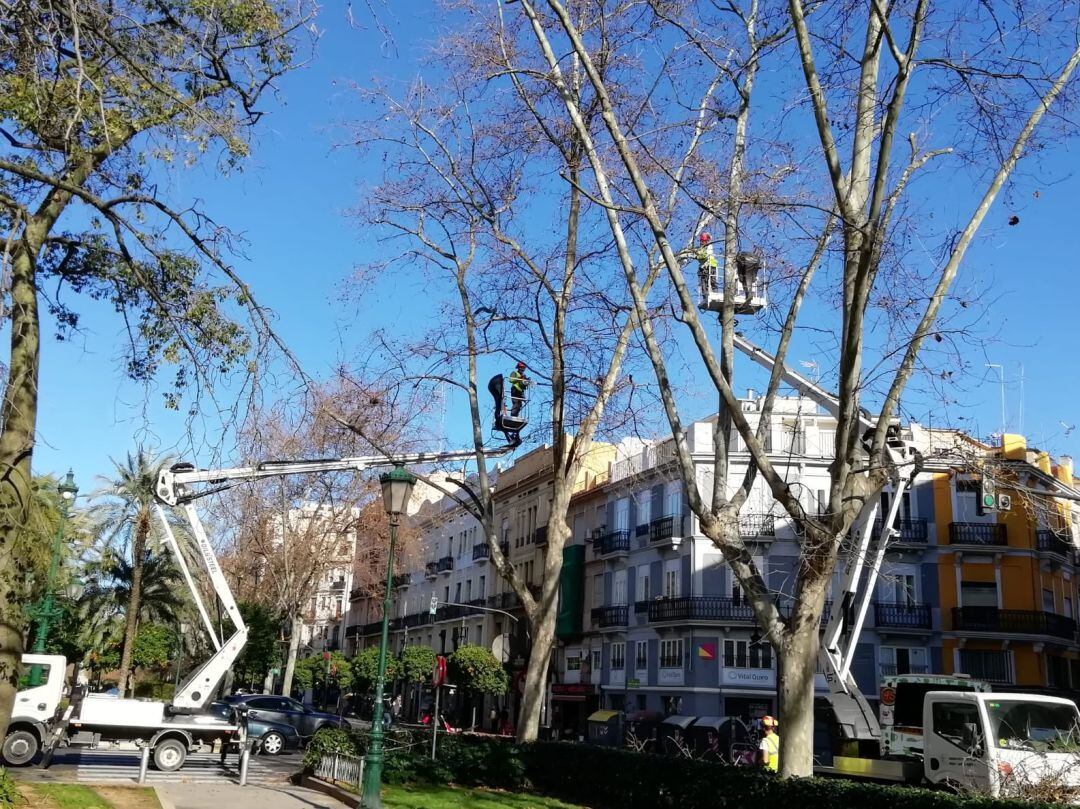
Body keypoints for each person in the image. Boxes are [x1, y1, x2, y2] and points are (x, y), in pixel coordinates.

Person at [695, 232, 718, 302]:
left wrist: (697, 256)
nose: (702, 242)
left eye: (703, 241)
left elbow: (704, 256)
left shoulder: (709, 246)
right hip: (704, 267)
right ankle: (705, 297)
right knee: (704, 283)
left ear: (706, 241)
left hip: (710, 266)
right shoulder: (701, 248)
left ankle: (714, 294)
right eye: (701, 241)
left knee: (712, 282)